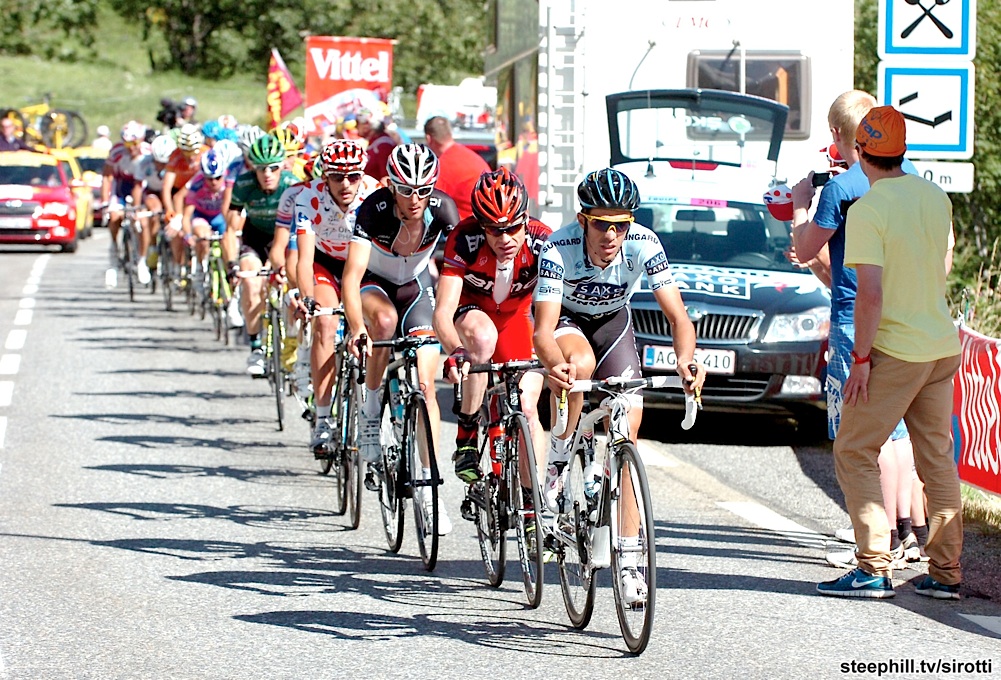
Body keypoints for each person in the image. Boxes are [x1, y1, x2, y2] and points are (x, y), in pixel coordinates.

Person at [533, 167, 704, 605]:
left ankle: (629, 562)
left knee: (628, 432)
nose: (611, 235)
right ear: (583, 220)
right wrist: (554, 366)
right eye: (601, 224)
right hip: (568, 322)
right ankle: (558, 457)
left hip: (613, 324)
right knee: (579, 365)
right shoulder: (558, 247)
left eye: (620, 225)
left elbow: (678, 317)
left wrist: (687, 360)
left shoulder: (645, 243)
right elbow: (542, 331)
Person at [790, 91, 943, 570]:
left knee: (858, 441)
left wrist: (799, 207)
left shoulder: (843, 190)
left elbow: (807, 249)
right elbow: (943, 255)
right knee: (901, 437)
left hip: (854, 318)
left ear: (841, 136)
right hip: (915, 320)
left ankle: (876, 546)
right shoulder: (918, 182)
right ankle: (911, 537)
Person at [816, 106, 962, 600]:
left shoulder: (868, 209)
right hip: (941, 346)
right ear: (903, 150)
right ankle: (945, 573)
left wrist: (860, 360)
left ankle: (874, 566)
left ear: (859, 153)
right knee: (936, 458)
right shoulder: (935, 197)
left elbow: (870, 295)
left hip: (896, 351)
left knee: (853, 449)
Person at [343, 143, 460, 535]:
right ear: (391, 186)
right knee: (384, 322)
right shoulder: (373, 210)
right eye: (406, 190)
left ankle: (429, 489)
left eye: (423, 190)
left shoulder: (443, 210)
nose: (415, 199)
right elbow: (351, 276)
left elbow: (457, 270)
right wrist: (356, 327)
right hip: (375, 285)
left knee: (426, 387)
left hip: (415, 288)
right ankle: (370, 408)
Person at [434, 168, 551, 523]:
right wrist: (455, 350)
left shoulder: (542, 241)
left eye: (513, 228)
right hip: (474, 312)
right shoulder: (464, 238)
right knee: (482, 340)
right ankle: (467, 431)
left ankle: (533, 510)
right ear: (481, 226)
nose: (505, 239)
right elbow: (443, 312)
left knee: (527, 408)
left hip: (517, 319)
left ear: (526, 218)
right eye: (495, 230)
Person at [295, 140, 379, 453]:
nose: (346, 184)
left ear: (362, 175)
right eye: (337, 177)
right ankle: (322, 417)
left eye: (353, 176)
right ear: (324, 177)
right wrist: (307, 297)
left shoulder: (374, 194)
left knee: (380, 325)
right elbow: (304, 259)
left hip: (366, 266)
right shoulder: (308, 197)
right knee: (326, 323)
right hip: (326, 264)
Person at [226, 134, 300, 376]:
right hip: (255, 238)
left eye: (273, 168)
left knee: (293, 282)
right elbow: (231, 228)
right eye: (261, 169)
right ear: (252, 168)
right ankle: (256, 345)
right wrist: (230, 264)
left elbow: (300, 230)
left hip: (286, 238)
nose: (267, 174)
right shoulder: (244, 184)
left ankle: (295, 345)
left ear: (282, 166)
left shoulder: (292, 185)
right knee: (251, 282)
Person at [101, 121, 150, 288]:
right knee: (114, 217)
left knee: (142, 223)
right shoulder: (116, 152)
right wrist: (105, 202)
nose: (131, 148)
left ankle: (142, 261)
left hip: (141, 189)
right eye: (127, 144)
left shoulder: (148, 152)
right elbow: (107, 177)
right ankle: (114, 250)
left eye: (135, 143)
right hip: (121, 189)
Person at [423, 116, 491, 220]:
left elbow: (426, 202)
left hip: (468, 225)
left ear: (429, 139)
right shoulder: (470, 156)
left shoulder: (444, 166)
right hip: (488, 222)